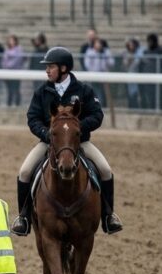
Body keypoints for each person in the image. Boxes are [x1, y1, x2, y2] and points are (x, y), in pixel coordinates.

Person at [12, 46, 122, 236]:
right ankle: (24, 217)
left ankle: (108, 215)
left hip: (79, 143)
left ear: (63, 68)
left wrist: (75, 130)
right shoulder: (42, 92)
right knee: (25, 171)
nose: (47, 70)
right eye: (47, 67)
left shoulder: (83, 90)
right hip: (48, 143)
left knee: (105, 170)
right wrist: (47, 134)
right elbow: (32, 118)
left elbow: (97, 115)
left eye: (51, 66)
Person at [83, 37, 115, 108]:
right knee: (96, 91)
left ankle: (105, 106)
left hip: (105, 77)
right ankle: (97, 106)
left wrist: (105, 57)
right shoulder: (90, 51)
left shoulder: (106, 51)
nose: (98, 45)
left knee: (105, 92)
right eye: (97, 43)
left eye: (100, 43)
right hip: (94, 76)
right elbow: (87, 64)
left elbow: (111, 63)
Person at [142, 33, 162, 110]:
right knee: (150, 96)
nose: (149, 43)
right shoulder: (146, 51)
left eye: (151, 41)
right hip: (149, 77)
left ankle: (161, 110)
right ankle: (152, 109)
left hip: (160, 77)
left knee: (160, 96)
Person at [1, 34, 26, 107]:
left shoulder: (19, 49)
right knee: (9, 91)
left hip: (16, 72)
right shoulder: (7, 49)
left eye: (12, 40)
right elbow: (4, 61)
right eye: (9, 40)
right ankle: (9, 105)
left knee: (16, 89)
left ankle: (17, 104)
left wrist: (9, 65)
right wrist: (5, 68)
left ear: (15, 41)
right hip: (7, 73)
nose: (10, 41)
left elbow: (18, 59)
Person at [121, 36, 145, 109]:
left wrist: (132, 59)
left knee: (137, 94)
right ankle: (131, 107)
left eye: (132, 45)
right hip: (128, 77)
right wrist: (128, 60)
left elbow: (137, 62)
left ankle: (138, 108)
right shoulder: (126, 53)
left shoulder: (139, 52)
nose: (131, 46)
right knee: (130, 94)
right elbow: (125, 64)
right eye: (129, 45)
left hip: (138, 76)